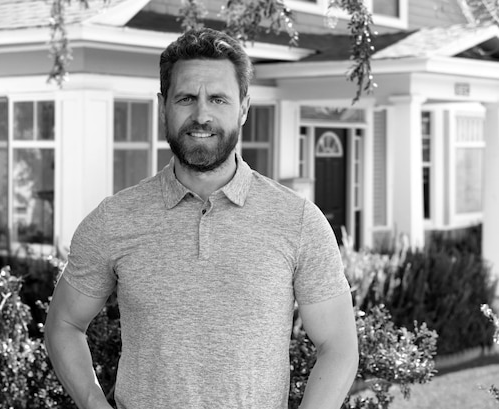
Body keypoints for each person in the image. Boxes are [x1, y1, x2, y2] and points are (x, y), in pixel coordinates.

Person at [44, 27, 359, 409]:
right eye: (186, 98)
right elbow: (63, 324)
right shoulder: (115, 219)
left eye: (218, 99)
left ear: (243, 107)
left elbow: (338, 345)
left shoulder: (298, 221)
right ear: (164, 105)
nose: (201, 114)